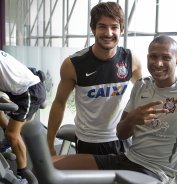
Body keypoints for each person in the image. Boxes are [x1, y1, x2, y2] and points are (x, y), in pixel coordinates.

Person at [52, 35, 177, 184]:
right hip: (127, 159)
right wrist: (132, 119)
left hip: (157, 174)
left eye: (166, 58)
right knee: (50, 164)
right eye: (153, 57)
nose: (158, 63)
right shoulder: (141, 86)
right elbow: (121, 134)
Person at [47, 1, 142, 156]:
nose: (109, 33)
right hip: (88, 141)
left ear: (122, 29)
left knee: (119, 180)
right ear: (93, 29)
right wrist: (49, 143)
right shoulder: (73, 64)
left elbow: (144, 94)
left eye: (114, 27)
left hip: (121, 138)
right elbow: (59, 102)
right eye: (102, 26)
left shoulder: (131, 60)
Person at [0, 50, 46, 183]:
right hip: (21, 89)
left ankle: (23, 174)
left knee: (12, 134)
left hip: (29, 92)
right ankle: (8, 143)